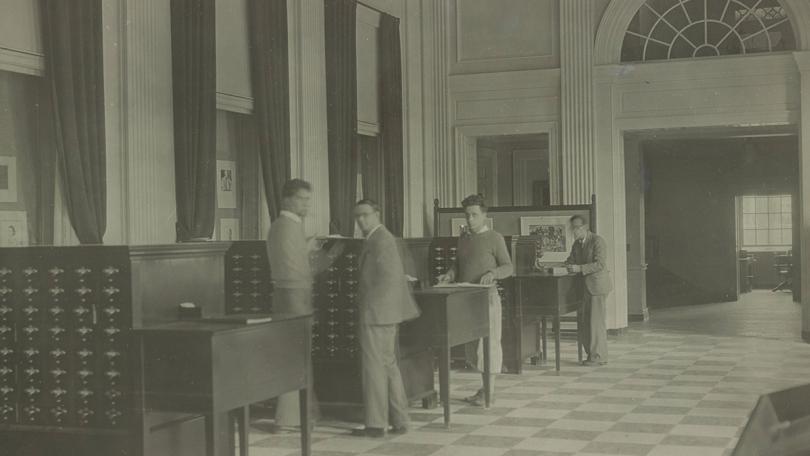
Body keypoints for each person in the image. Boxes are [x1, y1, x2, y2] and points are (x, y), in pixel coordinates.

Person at [266, 178, 341, 431]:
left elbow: (292, 259)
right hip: (294, 300)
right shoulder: (287, 226)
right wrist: (331, 255)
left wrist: (307, 247)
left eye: (308, 199)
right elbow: (297, 272)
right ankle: (290, 419)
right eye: (302, 199)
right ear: (288, 199)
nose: (307, 204)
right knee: (295, 358)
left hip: (289, 299)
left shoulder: (284, 225)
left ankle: (300, 415)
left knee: (294, 357)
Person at [351, 199, 420, 438]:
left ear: (377, 214)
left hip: (376, 315)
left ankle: (376, 424)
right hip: (384, 313)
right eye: (357, 216)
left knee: (374, 368)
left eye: (365, 215)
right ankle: (400, 420)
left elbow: (388, 281)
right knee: (388, 366)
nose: (361, 220)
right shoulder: (378, 238)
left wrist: (370, 311)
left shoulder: (381, 239)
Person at [437, 194, 513, 406]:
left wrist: (493, 273)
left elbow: (508, 267)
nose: (470, 219)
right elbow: (457, 265)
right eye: (467, 215)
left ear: (484, 215)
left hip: (486, 300)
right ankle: (484, 389)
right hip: (465, 301)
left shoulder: (495, 238)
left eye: (474, 215)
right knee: (472, 349)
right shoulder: (464, 238)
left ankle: (489, 391)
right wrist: (449, 275)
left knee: (488, 347)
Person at [565, 215, 612, 366]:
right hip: (584, 288)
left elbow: (600, 264)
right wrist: (554, 265)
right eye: (572, 229)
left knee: (596, 323)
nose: (574, 232)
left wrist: (579, 268)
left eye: (576, 228)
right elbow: (570, 261)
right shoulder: (577, 244)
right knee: (586, 322)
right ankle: (591, 355)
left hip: (597, 287)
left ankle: (598, 357)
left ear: (585, 227)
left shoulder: (597, 241)